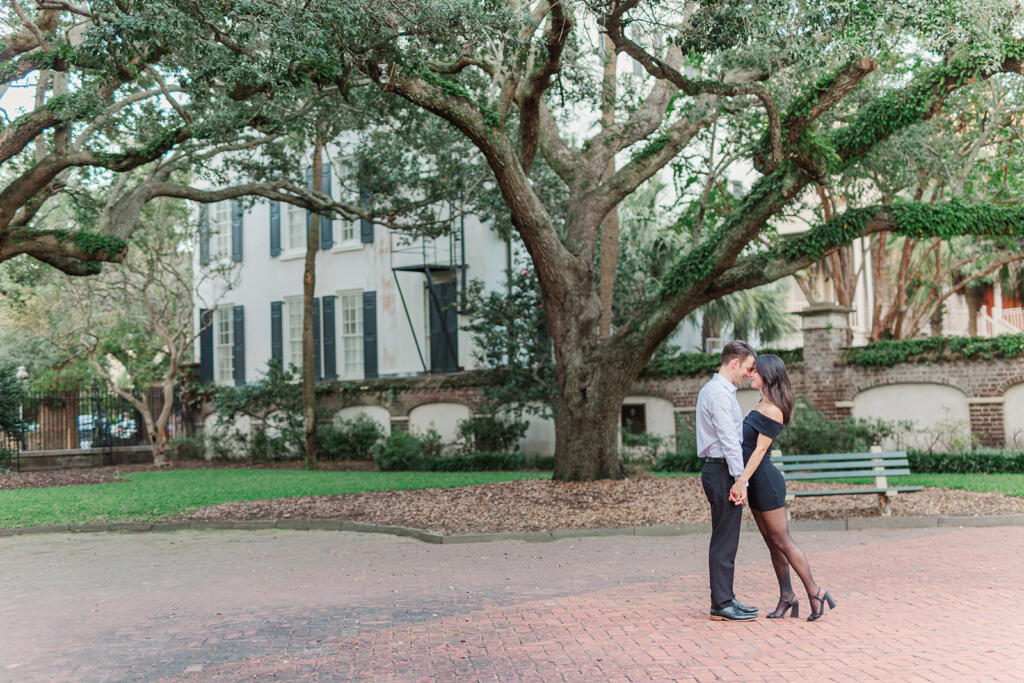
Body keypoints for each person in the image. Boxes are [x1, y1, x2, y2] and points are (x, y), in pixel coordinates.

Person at [728, 354, 837, 622]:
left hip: (766, 482)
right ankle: (787, 595)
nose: (751, 374)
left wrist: (741, 480)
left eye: (755, 371)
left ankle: (815, 590)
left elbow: (760, 450)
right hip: (756, 481)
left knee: (783, 540)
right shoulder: (762, 402)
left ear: (768, 375)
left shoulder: (773, 408)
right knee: (772, 543)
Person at [697, 340, 758, 621]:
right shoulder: (719, 394)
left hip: (721, 470)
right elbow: (729, 441)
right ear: (735, 363)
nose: (749, 373)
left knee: (727, 538)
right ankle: (721, 603)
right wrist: (739, 480)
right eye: (747, 367)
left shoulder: (719, 391)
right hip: (722, 471)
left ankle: (725, 597)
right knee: (724, 539)